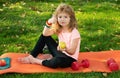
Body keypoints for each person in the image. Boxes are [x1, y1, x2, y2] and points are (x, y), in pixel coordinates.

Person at [18, 3, 81, 68]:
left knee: (56, 61)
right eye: (60, 17)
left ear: (71, 18)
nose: (62, 19)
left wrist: (65, 49)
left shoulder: (75, 33)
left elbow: (72, 52)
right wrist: (49, 22)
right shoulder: (59, 28)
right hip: (59, 53)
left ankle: (35, 60)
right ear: (56, 18)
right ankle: (31, 57)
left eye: (65, 17)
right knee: (44, 36)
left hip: (69, 59)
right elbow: (45, 34)